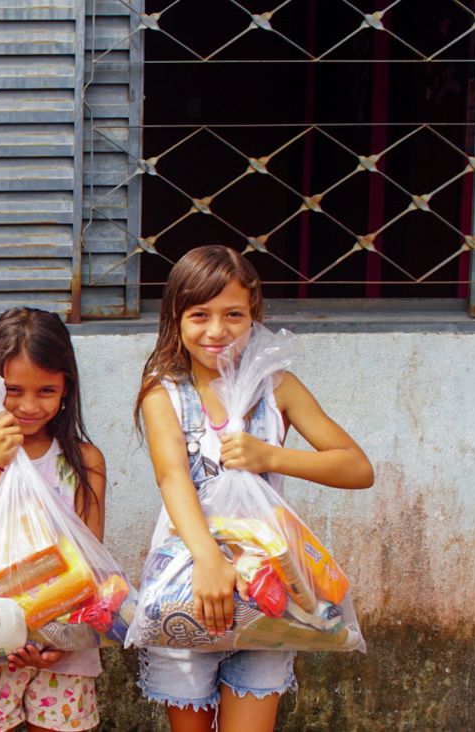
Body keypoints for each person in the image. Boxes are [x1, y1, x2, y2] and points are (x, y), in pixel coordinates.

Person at [134, 245, 373, 731]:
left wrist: (272, 457)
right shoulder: (165, 392)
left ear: (254, 317)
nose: (216, 330)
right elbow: (172, 477)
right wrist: (209, 560)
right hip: (190, 583)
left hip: (269, 588)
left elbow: (357, 468)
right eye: (199, 315)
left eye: (233, 315)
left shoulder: (277, 387)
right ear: (175, 318)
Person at [0, 307, 108, 732]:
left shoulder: (84, 462)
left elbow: (91, 563)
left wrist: (63, 641)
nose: (29, 406)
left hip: (63, 646)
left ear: (66, 388)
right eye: (13, 390)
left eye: (46, 391)